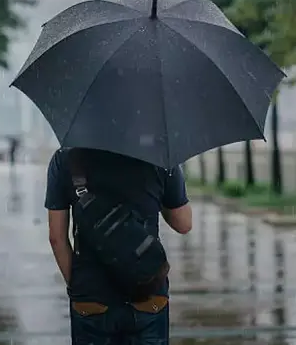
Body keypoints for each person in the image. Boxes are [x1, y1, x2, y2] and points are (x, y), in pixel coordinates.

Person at [45, 147, 192, 344]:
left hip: (91, 297)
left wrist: (78, 286)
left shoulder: (67, 157)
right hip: (147, 291)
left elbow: (56, 237)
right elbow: (183, 223)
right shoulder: (159, 156)